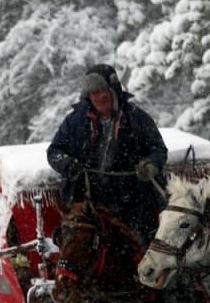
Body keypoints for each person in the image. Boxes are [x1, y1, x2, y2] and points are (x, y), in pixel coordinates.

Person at [47, 63, 168, 244]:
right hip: (89, 202)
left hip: (134, 202)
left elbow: (158, 149)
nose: (99, 97)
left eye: (103, 90)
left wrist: (150, 165)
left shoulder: (136, 118)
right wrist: (69, 165)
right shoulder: (75, 121)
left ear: (114, 89)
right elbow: (54, 151)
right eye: (93, 93)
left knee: (140, 248)